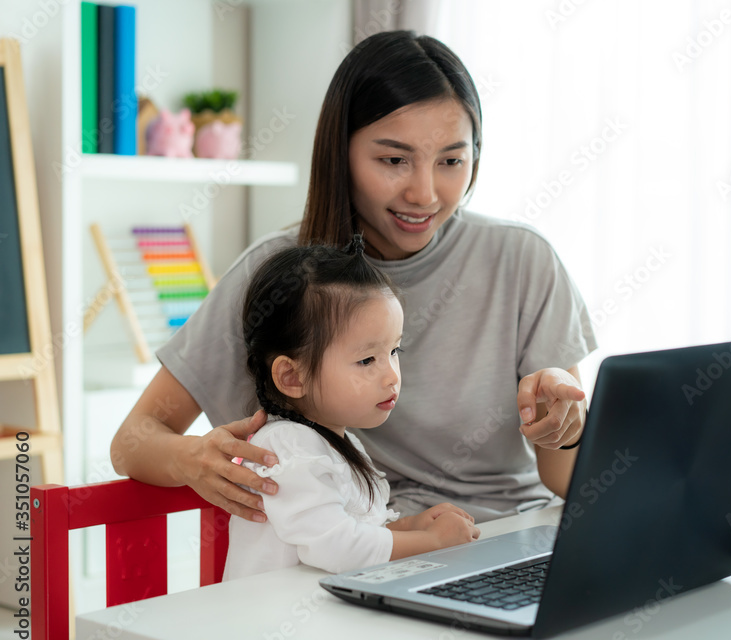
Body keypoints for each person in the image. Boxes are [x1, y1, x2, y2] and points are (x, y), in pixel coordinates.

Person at [110, 30, 597, 524]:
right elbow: (133, 440)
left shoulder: (522, 258)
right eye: (393, 160)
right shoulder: (280, 270)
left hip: (513, 537)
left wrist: (569, 427)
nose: (424, 193)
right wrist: (193, 459)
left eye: (452, 160)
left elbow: (563, 477)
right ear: (340, 152)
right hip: (364, 552)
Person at [223, 240, 479, 580]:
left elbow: (356, 529)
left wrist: (410, 525)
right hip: (272, 624)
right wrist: (428, 541)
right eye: (367, 360)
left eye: (394, 351)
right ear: (292, 376)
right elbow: (336, 546)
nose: (391, 375)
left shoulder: (335, 442)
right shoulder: (287, 448)